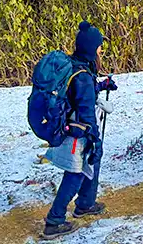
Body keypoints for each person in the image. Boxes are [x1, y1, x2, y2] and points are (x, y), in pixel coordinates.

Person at [43, 22, 116, 240]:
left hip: (69, 128)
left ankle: (85, 203)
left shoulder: (75, 65)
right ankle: (54, 221)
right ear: (91, 48)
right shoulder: (83, 74)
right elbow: (85, 111)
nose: (101, 50)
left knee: (91, 162)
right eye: (100, 46)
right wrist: (94, 138)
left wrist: (101, 86)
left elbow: (79, 91)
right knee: (76, 172)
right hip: (78, 133)